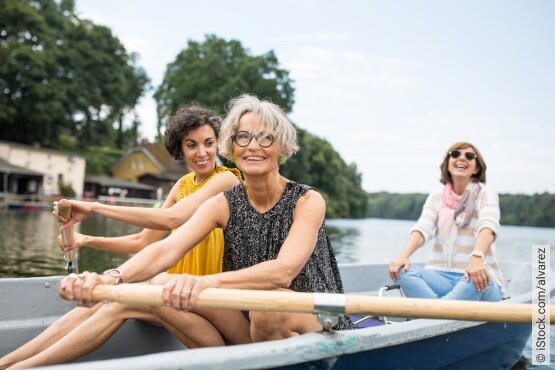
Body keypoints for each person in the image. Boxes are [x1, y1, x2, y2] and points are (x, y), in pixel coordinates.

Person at [59, 93, 356, 348]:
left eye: (266, 137)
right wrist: (111, 277)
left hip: (317, 322)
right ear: (233, 146)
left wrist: (201, 283)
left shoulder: (307, 200)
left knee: (268, 307)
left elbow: (282, 272)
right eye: (243, 137)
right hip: (251, 322)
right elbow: (165, 249)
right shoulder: (224, 203)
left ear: (281, 146)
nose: (253, 146)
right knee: (162, 283)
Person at [0, 104, 243, 370]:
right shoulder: (182, 185)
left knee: (118, 301)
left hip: (204, 304)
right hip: (171, 297)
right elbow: (143, 241)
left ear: (219, 144)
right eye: (191, 145)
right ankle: (7, 363)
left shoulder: (227, 181)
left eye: (209, 143)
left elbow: (171, 219)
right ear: (180, 149)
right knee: (107, 298)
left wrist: (95, 207)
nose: (202, 152)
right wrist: (87, 240)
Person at [388, 142, 504, 301]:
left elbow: (488, 226)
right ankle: (444, 315)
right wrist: (404, 255)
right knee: (401, 270)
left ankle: (433, 315)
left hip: (474, 278)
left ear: (476, 168)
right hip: (440, 276)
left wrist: (476, 259)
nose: (461, 158)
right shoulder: (437, 196)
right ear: (448, 164)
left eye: (469, 156)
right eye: (455, 154)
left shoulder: (486, 193)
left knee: (477, 278)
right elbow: (423, 228)